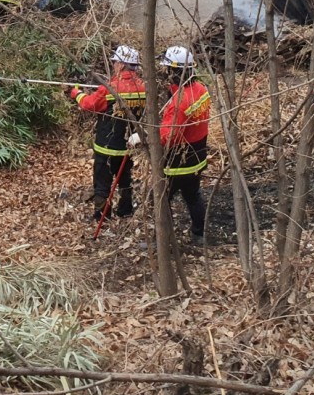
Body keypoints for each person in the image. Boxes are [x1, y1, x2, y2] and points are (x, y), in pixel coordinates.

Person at [129, 46, 210, 245]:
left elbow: (167, 136)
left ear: (174, 71)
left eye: (166, 69)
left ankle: (163, 242)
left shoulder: (179, 103)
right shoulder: (200, 90)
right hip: (198, 155)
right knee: (192, 195)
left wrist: (142, 137)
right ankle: (199, 234)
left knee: (159, 200)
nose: (164, 73)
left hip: (178, 161)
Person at [71, 45, 146, 221]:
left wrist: (77, 94)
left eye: (115, 62)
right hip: (128, 144)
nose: (113, 65)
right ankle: (125, 210)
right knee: (124, 178)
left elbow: (90, 104)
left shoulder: (110, 88)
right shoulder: (143, 87)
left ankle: (102, 215)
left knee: (102, 182)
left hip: (106, 145)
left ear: (122, 64)